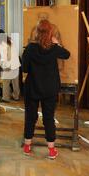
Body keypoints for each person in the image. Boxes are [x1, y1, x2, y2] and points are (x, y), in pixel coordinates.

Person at [22, 19, 70, 160]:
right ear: (50, 33)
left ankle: (27, 146)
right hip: (50, 89)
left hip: (32, 87)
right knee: (49, 118)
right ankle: (51, 150)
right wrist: (57, 43)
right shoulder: (54, 48)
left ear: (36, 32)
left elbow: (24, 68)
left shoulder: (29, 48)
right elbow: (67, 55)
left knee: (30, 117)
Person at [0, 30, 21, 102]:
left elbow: (5, 57)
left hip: (9, 65)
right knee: (15, 83)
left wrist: (2, 65)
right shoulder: (11, 41)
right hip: (16, 64)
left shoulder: (2, 44)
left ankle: (5, 98)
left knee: (6, 82)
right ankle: (16, 96)